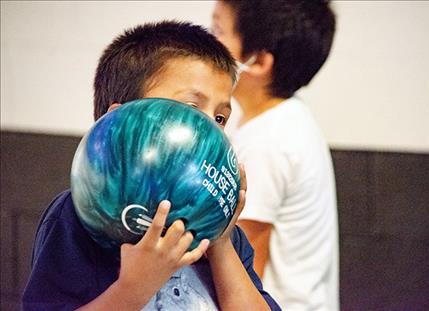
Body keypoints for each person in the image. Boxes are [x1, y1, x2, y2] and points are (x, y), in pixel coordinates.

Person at [22, 21, 281, 311]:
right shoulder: (81, 216)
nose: (211, 132)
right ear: (119, 124)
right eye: (191, 110)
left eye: (220, 118)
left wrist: (220, 243)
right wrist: (135, 286)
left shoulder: (227, 237)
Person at [211, 1, 339, 310]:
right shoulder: (286, 117)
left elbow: (244, 266)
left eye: (217, 30)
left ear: (257, 62)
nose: (207, 41)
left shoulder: (266, 142)